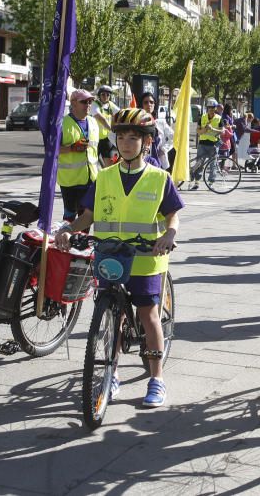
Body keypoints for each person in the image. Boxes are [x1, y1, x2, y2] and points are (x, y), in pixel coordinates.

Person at [55, 108, 183, 407]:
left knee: (148, 315)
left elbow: (172, 216)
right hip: (110, 256)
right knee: (111, 315)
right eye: (121, 137)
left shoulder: (158, 178)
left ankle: (156, 379)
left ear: (147, 142)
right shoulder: (105, 177)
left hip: (146, 258)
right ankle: (110, 374)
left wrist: (169, 235)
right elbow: (88, 215)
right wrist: (67, 229)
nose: (125, 143)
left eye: (133, 138)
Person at [58, 90, 110, 221]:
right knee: (70, 214)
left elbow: (95, 150)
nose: (88, 105)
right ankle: (66, 240)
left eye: (90, 102)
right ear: (73, 103)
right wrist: (71, 148)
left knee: (87, 216)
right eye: (84, 102)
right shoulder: (62, 124)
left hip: (90, 178)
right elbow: (51, 151)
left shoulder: (93, 123)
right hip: (70, 181)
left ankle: (82, 240)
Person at [191, 99, 222, 190]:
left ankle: (211, 183)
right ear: (207, 108)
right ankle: (197, 182)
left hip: (213, 144)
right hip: (202, 144)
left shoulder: (219, 118)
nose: (211, 109)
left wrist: (213, 129)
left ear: (215, 108)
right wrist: (204, 130)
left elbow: (222, 131)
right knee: (199, 163)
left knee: (213, 164)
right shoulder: (202, 117)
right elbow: (198, 131)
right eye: (209, 108)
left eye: (213, 108)